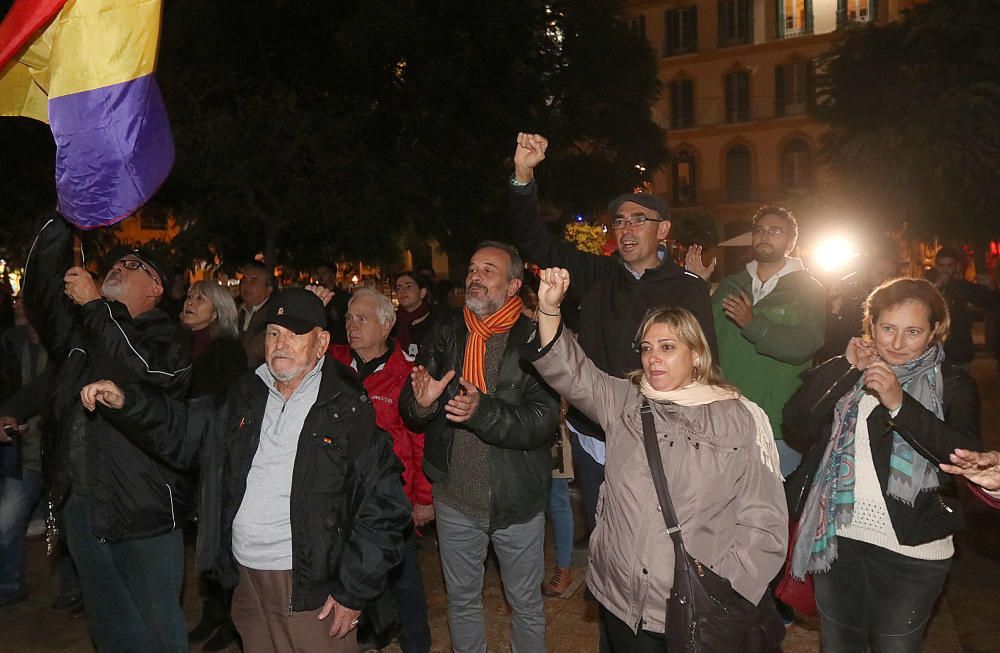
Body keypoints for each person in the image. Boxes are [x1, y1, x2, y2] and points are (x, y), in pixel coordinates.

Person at [81, 288, 412, 653]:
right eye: (273, 333)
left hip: (309, 585)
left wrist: (353, 591)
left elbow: (385, 506)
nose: (280, 344)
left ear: (321, 344)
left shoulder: (346, 409)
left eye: (293, 334)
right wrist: (127, 401)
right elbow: (183, 428)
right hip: (245, 578)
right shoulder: (245, 394)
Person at [528, 267, 787, 652]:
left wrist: (729, 590)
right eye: (647, 348)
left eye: (667, 347)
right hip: (624, 603)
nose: (653, 358)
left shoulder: (740, 419)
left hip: (699, 605)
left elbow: (765, 522)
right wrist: (549, 309)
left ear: (696, 355)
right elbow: (570, 371)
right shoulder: (624, 401)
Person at [510, 133, 716, 602]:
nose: (625, 229)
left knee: (660, 539)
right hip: (594, 434)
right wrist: (523, 176)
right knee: (607, 541)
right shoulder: (598, 275)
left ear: (662, 231)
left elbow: (705, 365)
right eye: (618, 221)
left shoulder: (688, 289)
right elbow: (532, 239)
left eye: (638, 221)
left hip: (662, 435)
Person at [22, 216, 193, 652]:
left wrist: (97, 306)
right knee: (110, 625)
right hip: (82, 503)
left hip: (142, 508)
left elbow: (143, 370)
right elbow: (41, 292)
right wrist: (64, 219)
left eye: (135, 266)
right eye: (117, 262)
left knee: (156, 629)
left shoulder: (167, 335)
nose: (119, 266)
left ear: (155, 289)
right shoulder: (81, 330)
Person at [783, 278, 981, 652]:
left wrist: (900, 404)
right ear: (870, 325)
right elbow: (796, 423)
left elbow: (963, 453)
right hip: (840, 541)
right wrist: (845, 366)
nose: (896, 343)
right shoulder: (850, 372)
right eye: (887, 328)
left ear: (936, 330)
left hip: (915, 549)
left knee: (895, 646)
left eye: (913, 331)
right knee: (840, 644)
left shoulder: (952, 382)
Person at [399, 241, 559, 653]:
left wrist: (481, 412)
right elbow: (413, 407)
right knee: (463, 602)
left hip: (516, 500)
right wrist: (421, 402)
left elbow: (542, 422)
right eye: (472, 268)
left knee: (525, 604)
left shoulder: (534, 338)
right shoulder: (448, 331)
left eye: (489, 270)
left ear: (513, 286)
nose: (475, 276)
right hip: (455, 498)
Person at [687, 204, 825, 477]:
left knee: (774, 512)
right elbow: (699, 335)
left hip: (777, 428)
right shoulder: (731, 285)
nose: (765, 236)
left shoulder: (808, 290)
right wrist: (697, 287)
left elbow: (803, 345)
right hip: (727, 419)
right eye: (759, 230)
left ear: (791, 241)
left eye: (775, 231)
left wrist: (752, 324)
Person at [330, 288, 433, 653]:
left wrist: (423, 499)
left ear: (387, 325)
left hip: (390, 503)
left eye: (362, 318)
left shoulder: (405, 374)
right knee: (348, 578)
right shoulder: (333, 362)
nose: (352, 325)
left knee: (404, 583)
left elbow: (419, 442)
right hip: (340, 499)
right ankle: (367, 637)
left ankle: (415, 645)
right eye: (348, 318)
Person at [180, 280, 248, 651]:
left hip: (217, 461)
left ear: (219, 309)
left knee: (221, 539)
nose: (190, 301)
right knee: (204, 539)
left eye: (200, 298)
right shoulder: (179, 346)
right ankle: (211, 612)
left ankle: (228, 619)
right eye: (189, 296)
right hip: (188, 460)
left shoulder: (227, 352)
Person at [0, 295, 49, 606]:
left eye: (25, 299)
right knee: (8, 521)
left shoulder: (62, 348)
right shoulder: (8, 343)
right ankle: (10, 584)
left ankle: (77, 591)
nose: (19, 304)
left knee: (70, 529)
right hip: (21, 452)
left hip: (53, 451)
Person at [929, 246, 999, 367]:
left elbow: (990, 302)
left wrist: (992, 287)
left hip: (958, 352)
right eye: (941, 265)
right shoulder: (926, 285)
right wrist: (937, 286)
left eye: (949, 266)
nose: (945, 270)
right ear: (936, 266)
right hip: (931, 354)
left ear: (956, 267)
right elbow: (919, 302)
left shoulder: (962, 287)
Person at [238, 260, 277, 368]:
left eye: (253, 281)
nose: (246, 285)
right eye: (244, 280)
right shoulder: (234, 312)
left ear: (268, 289)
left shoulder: (273, 317)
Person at [393, 271, 440, 360]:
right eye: (399, 288)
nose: (402, 291)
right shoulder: (392, 322)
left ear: (422, 292)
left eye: (409, 286)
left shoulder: (437, 320)